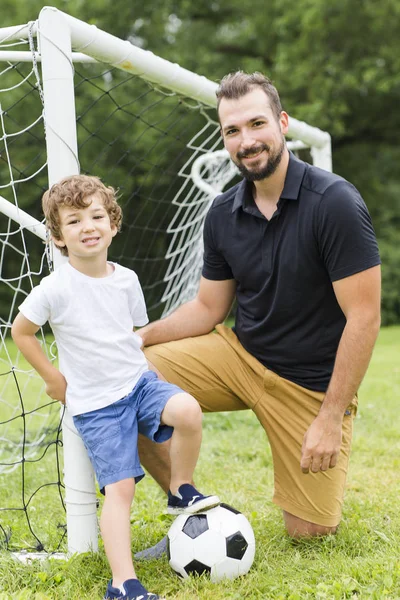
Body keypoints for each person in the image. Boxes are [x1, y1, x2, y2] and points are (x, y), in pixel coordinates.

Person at [134, 71, 381, 559]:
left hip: (308, 385)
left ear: (282, 123)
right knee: (124, 378)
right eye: (232, 131)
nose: (246, 141)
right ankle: (191, 514)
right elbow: (209, 308)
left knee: (310, 533)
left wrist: (330, 417)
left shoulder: (334, 203)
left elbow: (364, 317)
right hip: (240, 357)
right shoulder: (222, 214)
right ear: (223, 138)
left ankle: (315, 449)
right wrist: (142, 336)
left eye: (256, 124)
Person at [11, 175, 220, 600]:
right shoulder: (55, 288)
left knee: (188, 411)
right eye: (74, 221)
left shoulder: (126, 279)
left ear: (113, 224)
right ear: (57, 237)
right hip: (97, 406)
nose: (88, 226)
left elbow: (126, 334)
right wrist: (52, 378)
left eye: (96, 216)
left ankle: (180, 490)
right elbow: (21, 331)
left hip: (138, 383)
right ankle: (124, 583)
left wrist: (150, 374)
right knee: (120, 490)